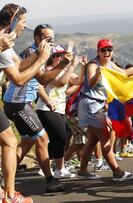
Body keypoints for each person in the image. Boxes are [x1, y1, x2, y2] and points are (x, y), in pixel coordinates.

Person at [3, 23, 68, 193]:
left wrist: (46, 101)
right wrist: (63, 65)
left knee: (27, 141)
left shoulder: (40, 52)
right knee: (42, 139)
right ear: (37, 38)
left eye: (52, 38)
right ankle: (50, 180)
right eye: (47, 38)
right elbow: (43, 79)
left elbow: (35, 82)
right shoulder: (33, 52)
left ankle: (6, 177)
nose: (51, 42)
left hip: (18, 103)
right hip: (18, 104)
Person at [0, 3, 53, 202]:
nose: (24, 26)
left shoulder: (5, 44)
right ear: (12, 22)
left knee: (10, 141)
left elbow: (20, 65)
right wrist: (42, 60)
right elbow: (19, 79)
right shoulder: (2, 43)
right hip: (14, 102)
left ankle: (8, 194)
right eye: (22, 22)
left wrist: (39, 53)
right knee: (11, 142)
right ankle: (11, 196)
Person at [76, 38, 133, 181]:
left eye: (109, 50)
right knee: (105, 138)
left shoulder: (110, 65)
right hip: (91, 105)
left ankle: (83, 170)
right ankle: (117, 172)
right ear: (98, 52)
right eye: (103, 50)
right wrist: (97, 76)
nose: (106, 52)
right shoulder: (93, 65)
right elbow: (90, 85)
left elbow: (125, 73)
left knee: (92, 140)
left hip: (96, 106)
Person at [35, 45, 84, 179]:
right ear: (52, 57)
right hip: (46, 108)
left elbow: (77, 81)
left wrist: (84, 67)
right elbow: (61, 83)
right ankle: (58, 168)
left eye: (62, 55)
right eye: (58, 55)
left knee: (58, 139)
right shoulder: (49, 70)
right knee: (59, 137)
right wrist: (71, 66)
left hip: (59, 109)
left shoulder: (63, 71)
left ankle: (53, 167)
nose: (61, 58)